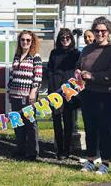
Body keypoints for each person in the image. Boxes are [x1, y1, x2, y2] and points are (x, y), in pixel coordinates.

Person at [76, 17, 111, 175]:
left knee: (105, 129)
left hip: (105, 95)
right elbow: (79, 65)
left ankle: (105, 162)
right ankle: (90, 159)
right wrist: (77, 71)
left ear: (108, 32)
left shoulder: (110, 50)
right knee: (90, 128)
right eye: (97, 30)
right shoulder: (87, 49)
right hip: (87, 94)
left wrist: (92, 76)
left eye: (103, 30)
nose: (100, 33)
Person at [8, 30, 42, 161]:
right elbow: (12, 75)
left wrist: (33, 92)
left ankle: (32, 152)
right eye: (23, 40)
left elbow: (38, 77)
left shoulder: (35, 56)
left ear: (32, 42)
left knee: (30, 124)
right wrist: (9, 90)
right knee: (17, 123)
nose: (25, 42)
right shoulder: (17, 56)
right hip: (15, 95)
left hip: (28, 96)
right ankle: (20, 149)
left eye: (28, 40)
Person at [47, 28, 80, 159]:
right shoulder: (54, 53)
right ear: (59, 40)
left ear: (71, 39)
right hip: (55, 90)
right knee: (56, 120)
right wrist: (53, 81)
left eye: (68, 38)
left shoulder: (76, 53)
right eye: (62, 38)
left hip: (70, 91)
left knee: (68, 121)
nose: (65, 40)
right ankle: (59, 149)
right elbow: (49, 69)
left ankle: (67, 149)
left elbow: (78, 70)